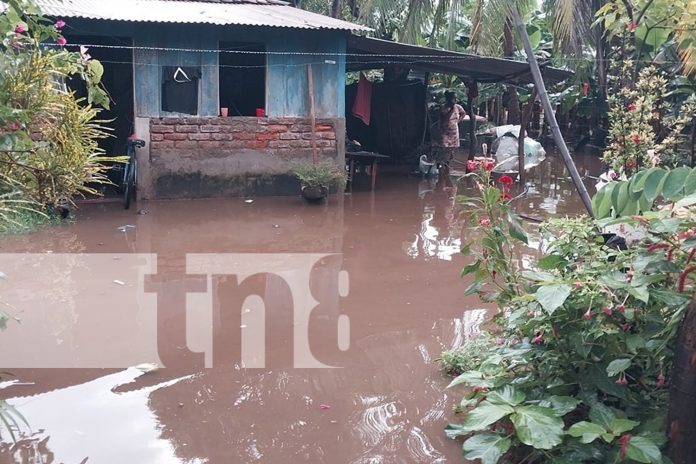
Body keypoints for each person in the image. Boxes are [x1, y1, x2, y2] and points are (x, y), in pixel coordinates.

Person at [435, 91, 467, 186]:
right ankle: (441, 171)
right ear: (448, 99)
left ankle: (447, 169)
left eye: (456, 98)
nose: (455, 100)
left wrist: (458, 121)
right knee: (444, 150)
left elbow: (463, 113)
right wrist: (452, 108)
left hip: (454, 133)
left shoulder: (458, 107)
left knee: (451, 151)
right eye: (454, 98)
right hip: (445, 132)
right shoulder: (444, 108)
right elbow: (445, 117)